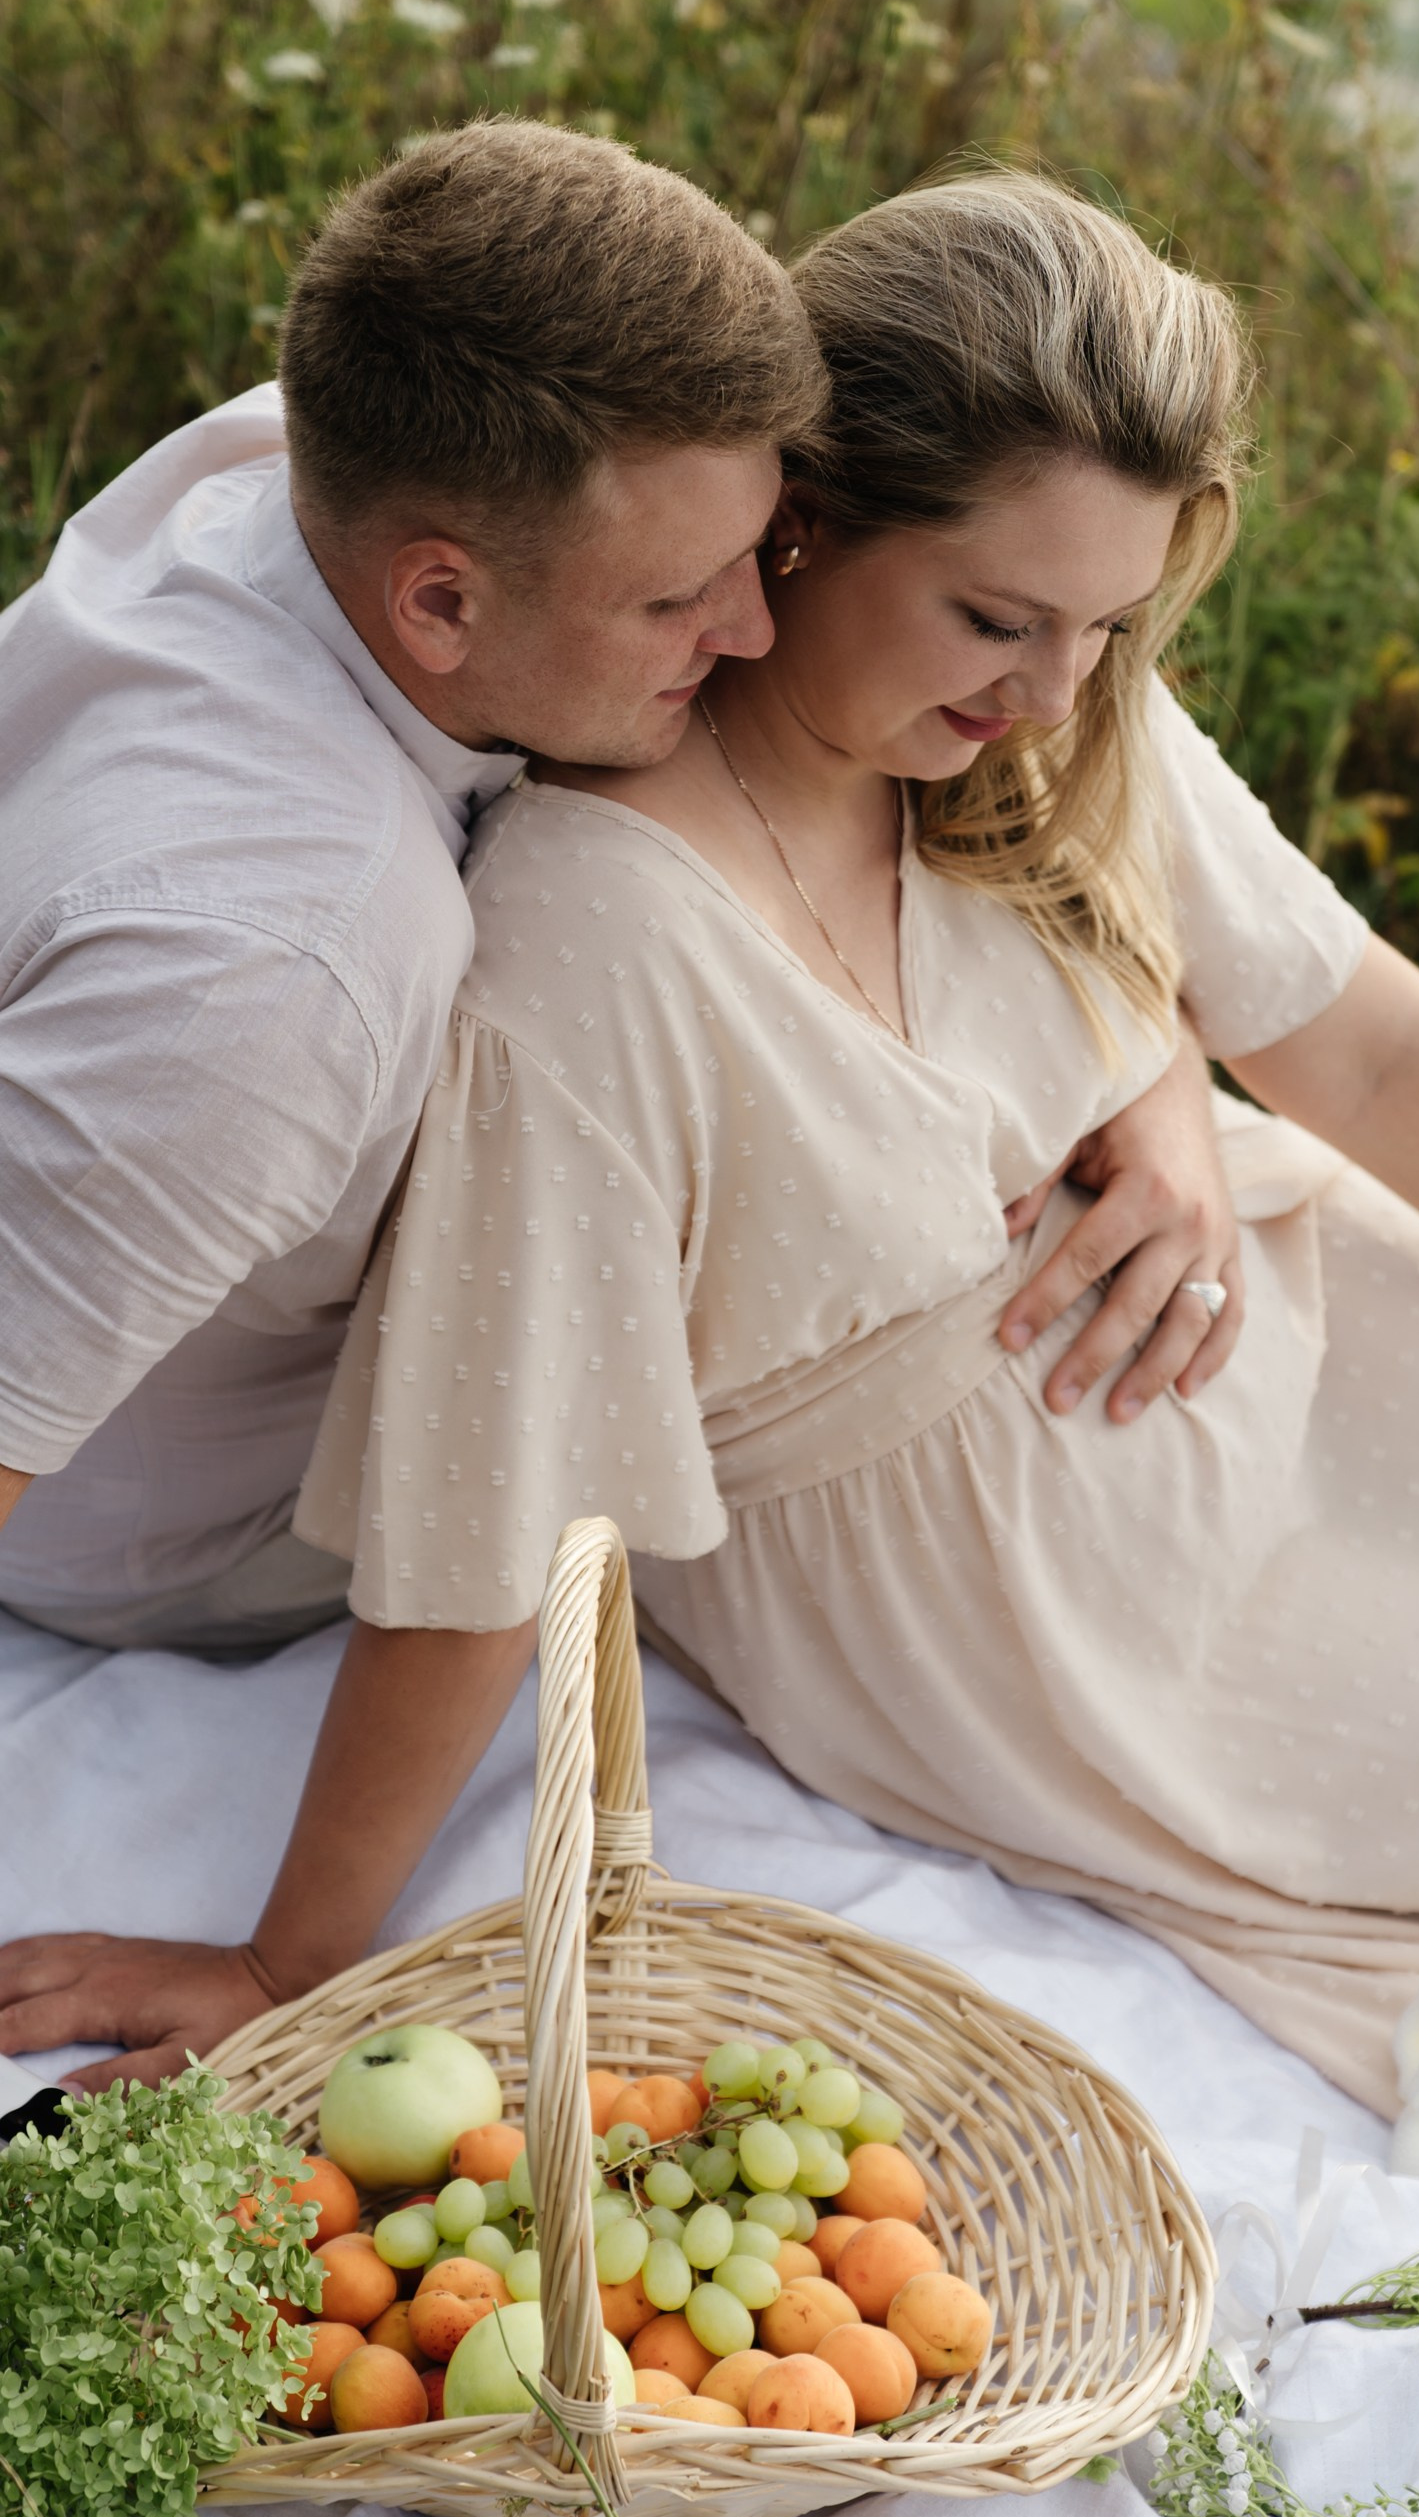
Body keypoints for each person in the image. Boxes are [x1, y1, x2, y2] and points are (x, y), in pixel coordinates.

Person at [32, 167, 1419, 2275]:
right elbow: (489, 1510)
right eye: (998, 620)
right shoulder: (590, 936)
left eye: (1113, 627)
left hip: (1272, 1295)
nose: (1060, 693)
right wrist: (287, 1960)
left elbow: (1361, 1047)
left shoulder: (1033, 722)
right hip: (1032, 1604)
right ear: (796, 523)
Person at [0, 130, 1245, 2065]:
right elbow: (501, 1454)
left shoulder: (319, 464)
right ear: (436, 607)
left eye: (759, 552)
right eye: (685, 601)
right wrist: (281, 1964)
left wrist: (1162, 1062)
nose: (747, 626)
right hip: (208, 1527)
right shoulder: (292, 973)